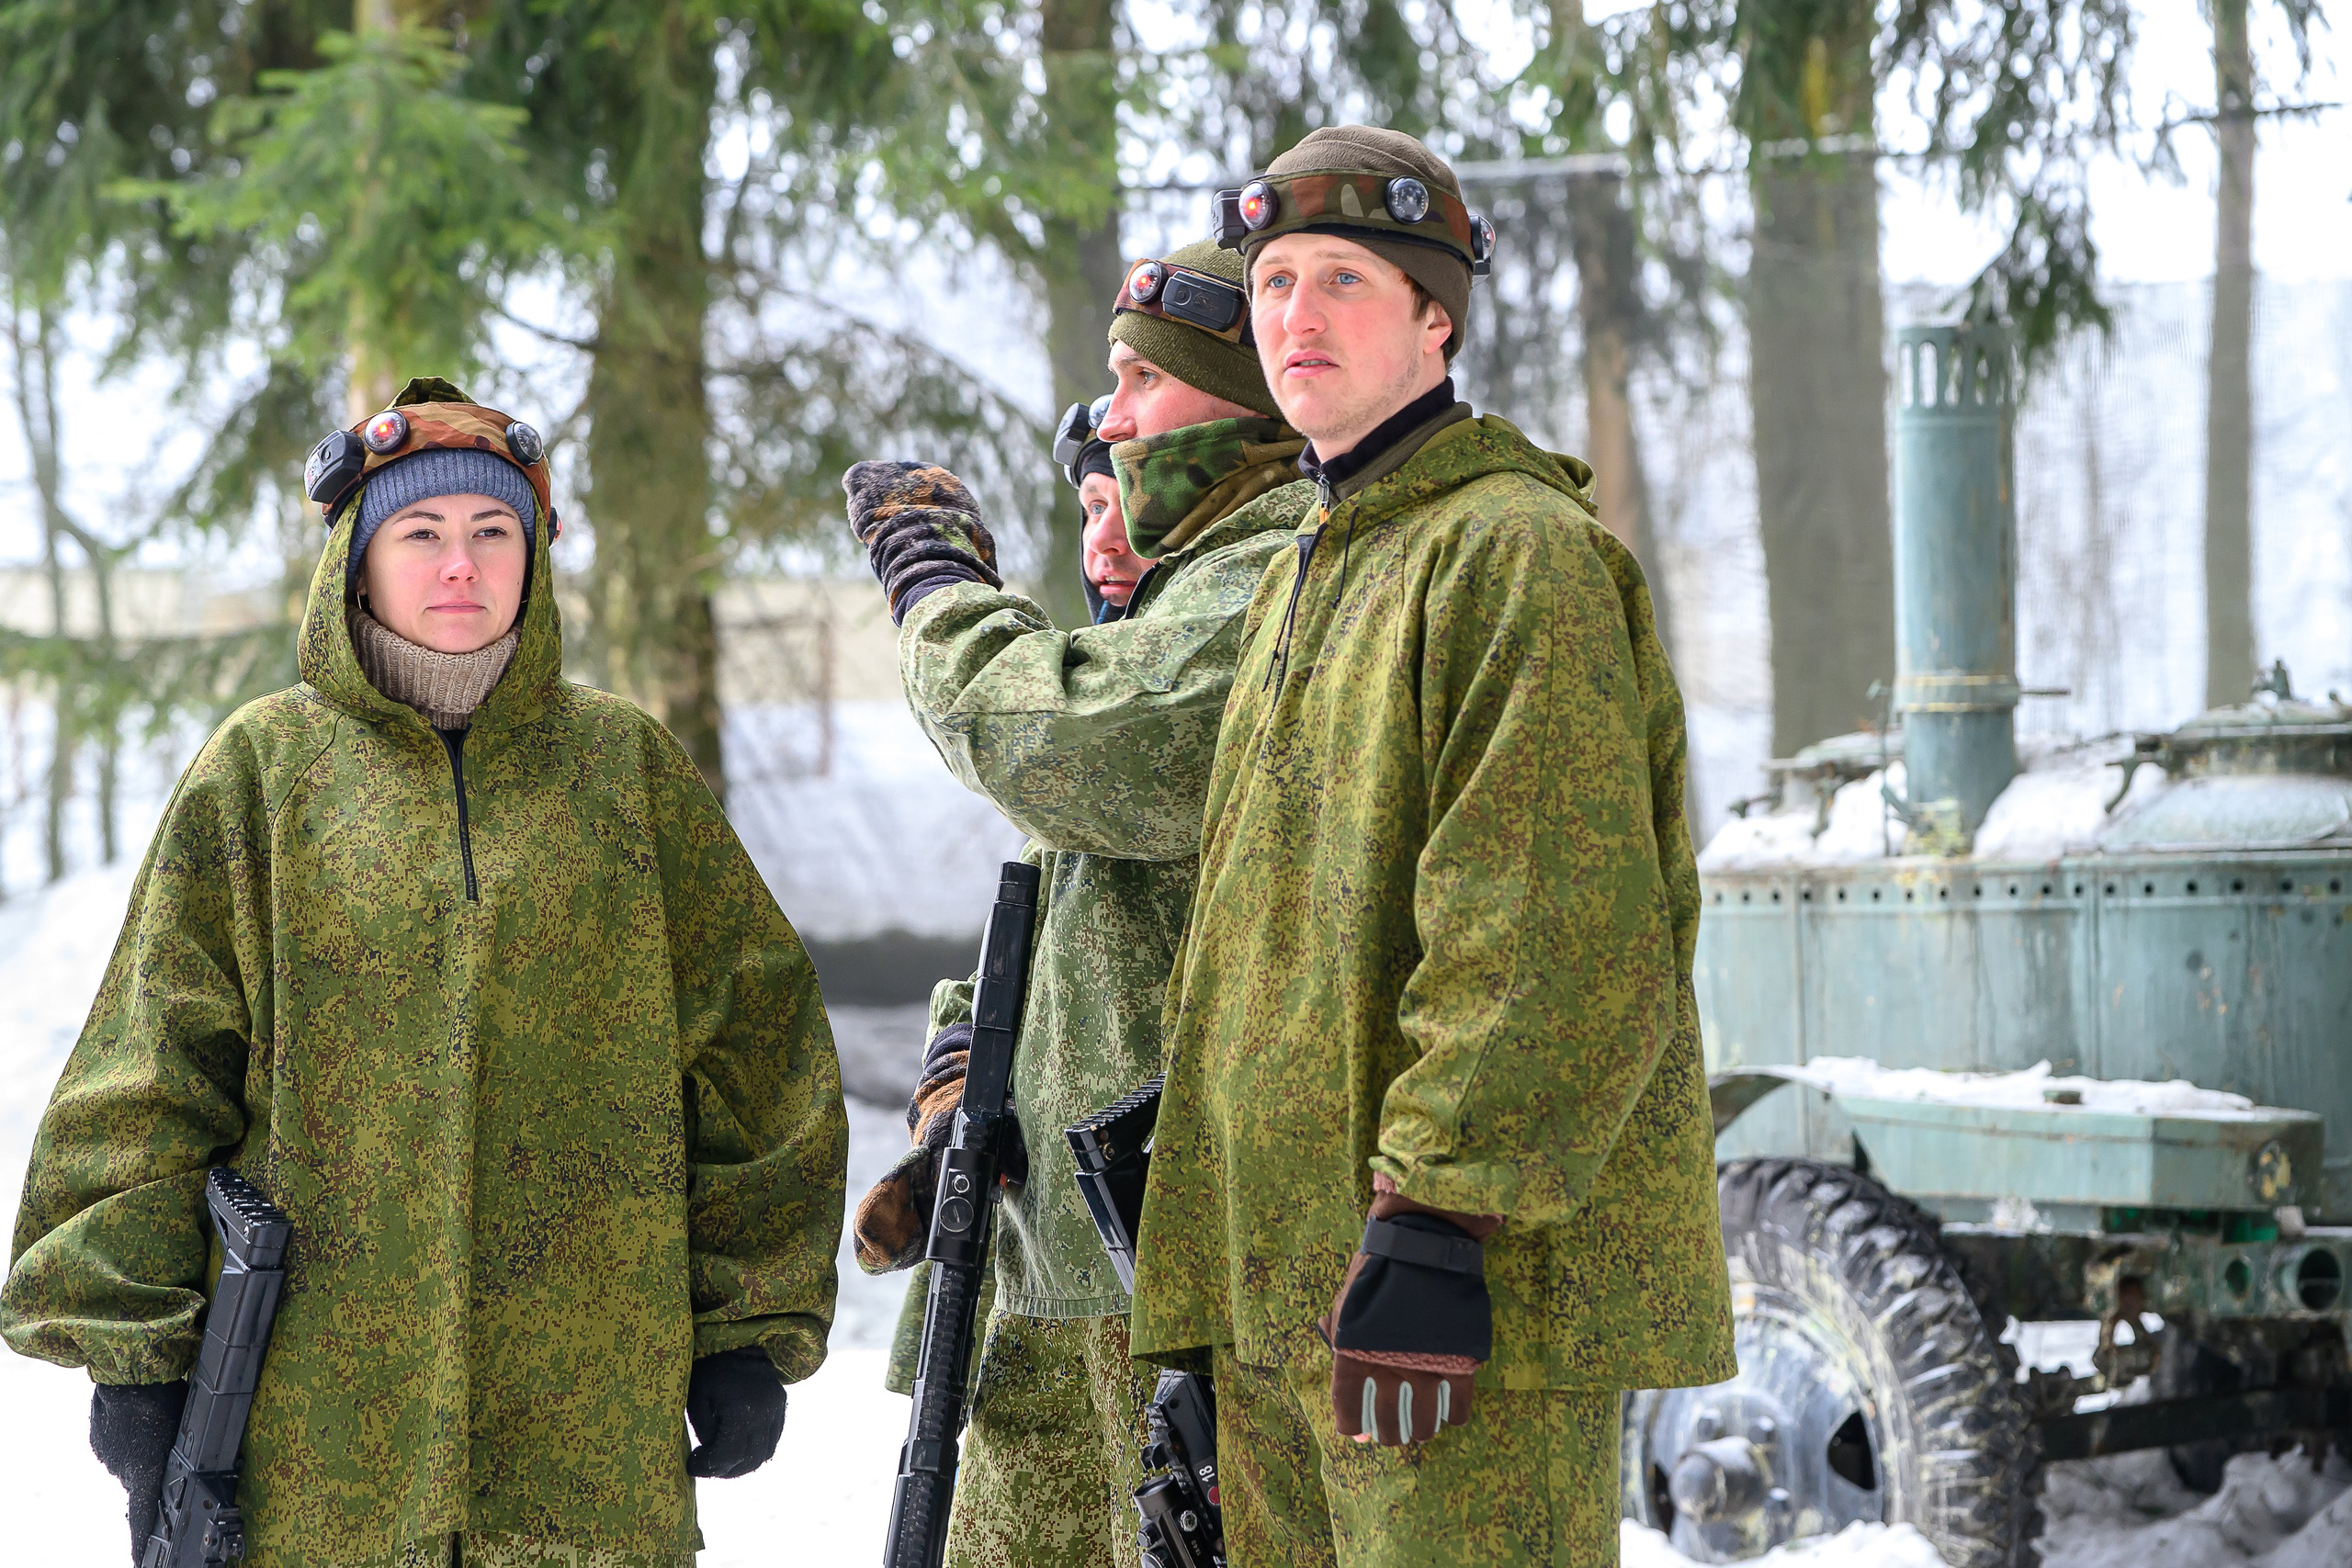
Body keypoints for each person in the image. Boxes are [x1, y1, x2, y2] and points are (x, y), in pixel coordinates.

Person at [1, 378, 848, 1568]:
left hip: (587, 1444)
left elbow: (758, 1049)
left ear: (533, 557)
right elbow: (153, 1072)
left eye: (494, 531)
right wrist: (138, 1367)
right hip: (314, 1446)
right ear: (358, 563)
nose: (461, 564)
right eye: (422, 533)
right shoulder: (263, 774)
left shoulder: (623, 771)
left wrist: (743, 1326)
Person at [1124, 128, 1737, 1566]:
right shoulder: (1309, 568)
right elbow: (1253, 955)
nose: (1299, 316)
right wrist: (1209, 1295)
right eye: (1276, 282)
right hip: (1286, 1308)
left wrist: (1441, 1216)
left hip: (1453, 1308)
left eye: (1346, 279)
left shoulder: (1513, 553)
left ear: (1436, 319)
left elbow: (1548, 929)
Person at [840, 239, 1313, 1568]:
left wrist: (939, 592)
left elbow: (1049, 742)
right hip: (1056, 1262)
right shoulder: (1168, 614)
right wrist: (960, 1053)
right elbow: (1065, 925)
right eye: (1086, 502)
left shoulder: (1269, 578)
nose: (1115, 417)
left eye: (1140, 381)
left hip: (1161, 1269)